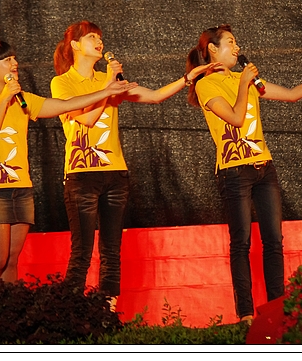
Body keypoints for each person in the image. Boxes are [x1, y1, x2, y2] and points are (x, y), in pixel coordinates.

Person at [185, 24, 302, 324]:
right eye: (231, 42)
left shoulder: (244, 80)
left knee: (274, 240)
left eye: (236, 42)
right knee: (241, 242)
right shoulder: (206, 85)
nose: (237, 48)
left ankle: (278, 307)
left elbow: (291, 95)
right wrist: (243, 83)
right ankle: (246, 314)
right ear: (212, 49)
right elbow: (235, 118)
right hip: (234, 171)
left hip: (264, 167)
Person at [51, 20, 216, 306]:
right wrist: (108, 86)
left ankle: (107, 312)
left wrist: (188, 78)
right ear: (75, 45)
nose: (99, 42)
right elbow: (87, 118)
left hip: (115, 174)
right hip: (82, 175)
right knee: (82, 251)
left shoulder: (108, 79)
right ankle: (71, 312)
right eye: (91, 37)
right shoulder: (62, 82)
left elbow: (155, 97)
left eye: (100, 37)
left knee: (111, 250)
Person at [0, 40, 133, 283]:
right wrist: (4, 99)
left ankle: (7, 306)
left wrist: (106, 91)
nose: (15, 63)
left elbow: (65, 105)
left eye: (14, 58)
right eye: (7, 60)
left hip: (20, 187)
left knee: (11, 260)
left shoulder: (23, 99)